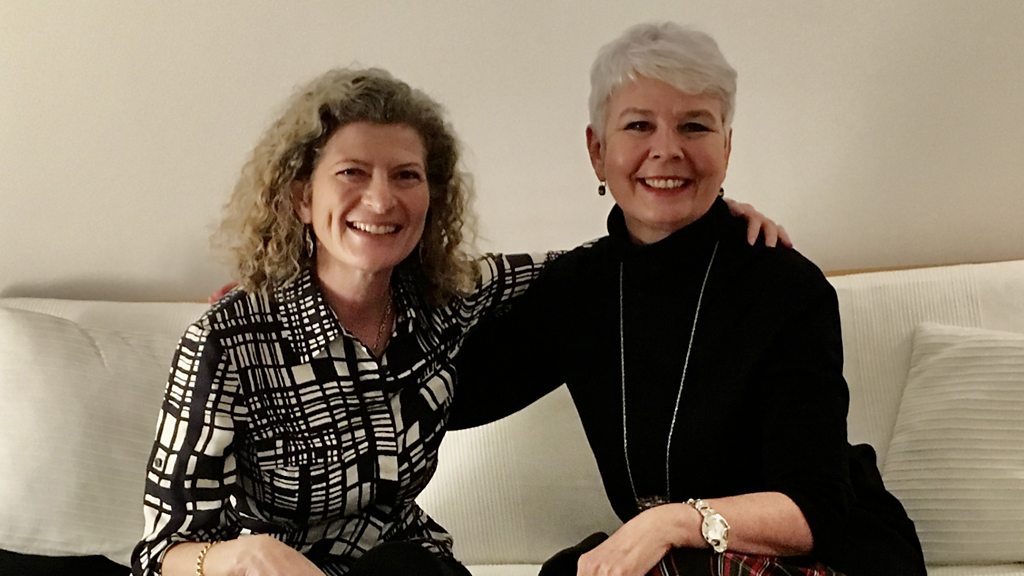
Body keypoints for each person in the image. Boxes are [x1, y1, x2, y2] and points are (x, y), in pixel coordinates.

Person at [132, 67, 786, 576]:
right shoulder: (228, 340)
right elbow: (161, 552)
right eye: (352, 173)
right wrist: (242, 556)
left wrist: (706, 219)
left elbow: (601, 266)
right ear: (303, 196)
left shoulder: (449, 298)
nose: (381, 199)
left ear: (431, 199)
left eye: (405, 175)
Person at [450, 22, 926, 576]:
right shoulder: (576, 288)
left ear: (726, 147)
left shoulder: (786, 286)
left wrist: (667, 523)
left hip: (824, 557)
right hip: (682, 559)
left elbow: (814, 510)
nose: (667, 150)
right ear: (597, 151)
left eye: (694, 126)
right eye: (639, 125)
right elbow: (451, 396)